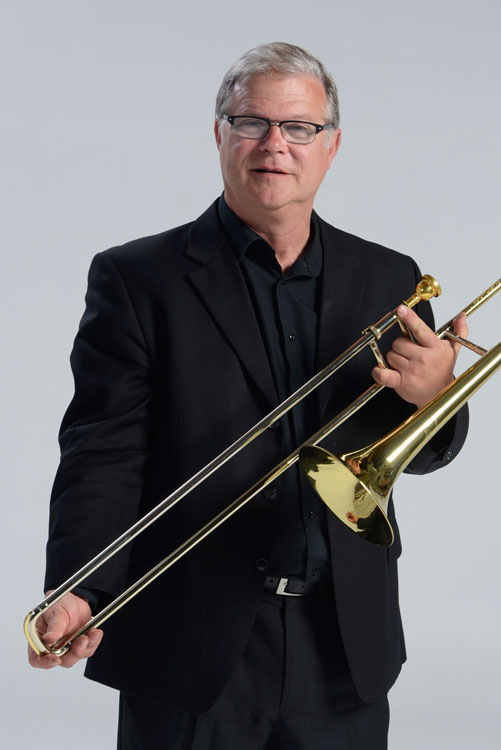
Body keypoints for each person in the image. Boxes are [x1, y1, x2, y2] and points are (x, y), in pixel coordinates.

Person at [28, 42, 469, 749]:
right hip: (188, 643)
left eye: (299, 127)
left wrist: (435, 396)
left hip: (342, 648)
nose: (274, 144)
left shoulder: (391, 278)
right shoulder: (137, 280)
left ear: (331, 146)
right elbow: (102, 453)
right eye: (251, 122)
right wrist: (81, 585)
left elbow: (420, 451)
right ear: (219, 135)